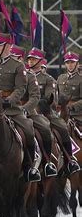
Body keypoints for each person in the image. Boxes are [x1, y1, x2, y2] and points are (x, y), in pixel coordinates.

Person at [0, 32, 41, 182]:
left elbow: (21, 88)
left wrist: (9, 100)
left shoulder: (18, 65)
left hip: (11, 109)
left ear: (8, 47)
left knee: (29, 130)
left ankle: (29, 167)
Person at [27, 47, 80, 175]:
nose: (29, 62)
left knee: (62, 127)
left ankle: (69, 160)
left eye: (72, 62)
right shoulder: (24, 76)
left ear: (40, 61)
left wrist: (70, 107)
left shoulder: (49, 79)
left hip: (49, 112)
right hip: (24, 110)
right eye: (67, 62)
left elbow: (49, 99)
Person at [10, 45, 57, 177]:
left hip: (31, 111)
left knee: (48, 129)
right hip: (8, 111)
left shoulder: (33, 77)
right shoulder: (6, 74)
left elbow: (38, 97)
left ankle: (48, 163)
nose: (30, 61)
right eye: (29, 59)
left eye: (33, 59)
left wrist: (25, 109)